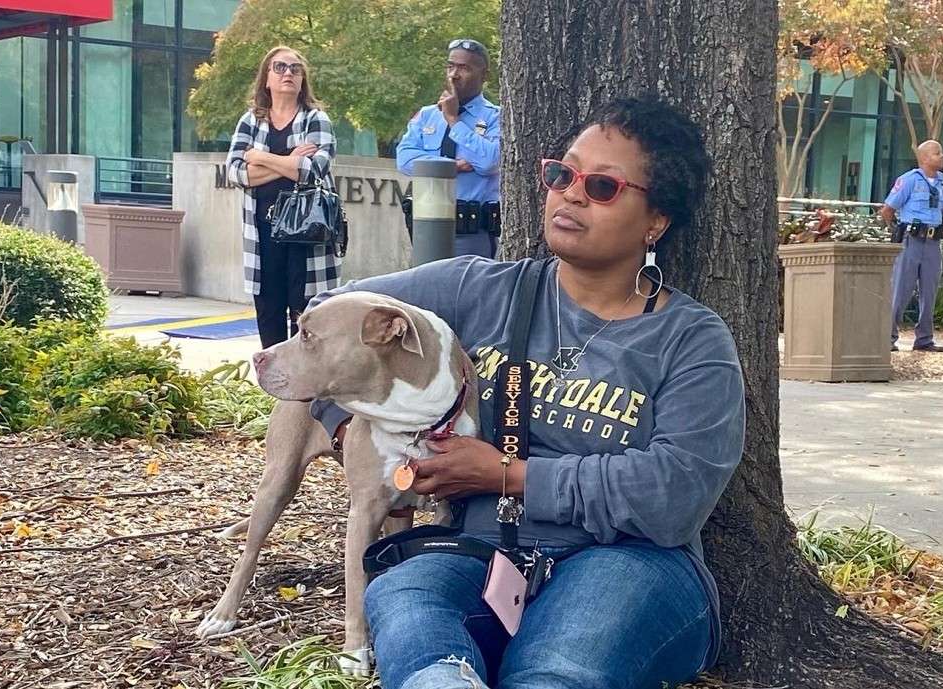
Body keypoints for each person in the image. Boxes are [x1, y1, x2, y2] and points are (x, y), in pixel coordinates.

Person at [310, 98, 745, 688]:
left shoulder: (690, 338)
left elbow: (674, 495)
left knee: (559, 670)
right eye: (562, 174)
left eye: (602, 186)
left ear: (656, 221)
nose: (570, 194)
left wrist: (506, 476)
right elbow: (325, 320)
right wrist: (350, 428)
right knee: (407, 604)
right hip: (478, 554)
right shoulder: (476, 288)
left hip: (628, 562)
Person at [225, 46, 338, 348]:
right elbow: (236, 173)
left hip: (307, 234)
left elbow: (312, 170)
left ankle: (304, 393)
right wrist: (289, 161)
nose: (288, 73)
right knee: (268, 314)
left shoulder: (317, 119)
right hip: (263, 233)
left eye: (295, 68)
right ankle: (274, 391)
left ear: (303, 80)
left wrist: (258, 157)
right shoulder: (250, 121)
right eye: (280, 67)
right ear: (266, 78)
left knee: (306, 318)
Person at [397, 39, 501, 258]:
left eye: (464, 68)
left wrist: (454, 121)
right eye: (450, 66)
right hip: (427, 229)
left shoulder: (495, 117)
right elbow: (404, 159)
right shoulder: (428, 114)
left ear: (484, 76)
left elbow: (490, 162)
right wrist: (450, 167)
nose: (454, 74)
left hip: (471, 232)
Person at [880, 140, 943, 353]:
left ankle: (924, 339)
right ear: (924, 158)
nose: (942, 156)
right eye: (937, 153)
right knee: (901, 289)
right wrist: (898, 230)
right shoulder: (909, 180)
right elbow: (888, 209)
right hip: (911, 240)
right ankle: (888, 337)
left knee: (929, 291)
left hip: (933, 242)